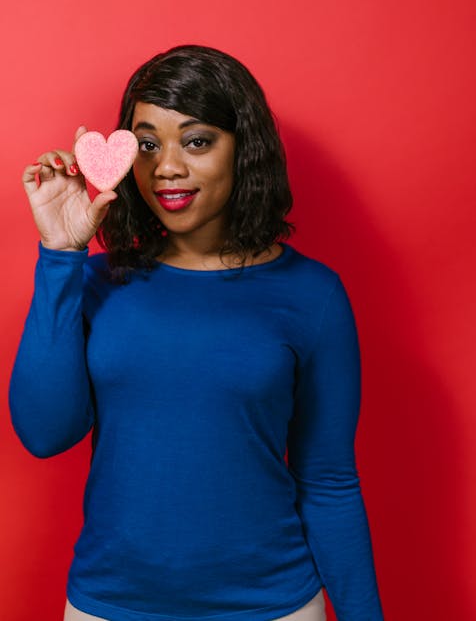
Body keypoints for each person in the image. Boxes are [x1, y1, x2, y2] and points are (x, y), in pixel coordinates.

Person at [9, 45, 385, 621]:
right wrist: (61, 256)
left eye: (197, 141)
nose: (167, 168)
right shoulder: (93, 281)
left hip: (272, 607)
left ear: (244, 149)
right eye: (148, 144)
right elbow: (45, 434)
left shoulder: (312, 293)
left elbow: (329, 479)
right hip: (111, 605)